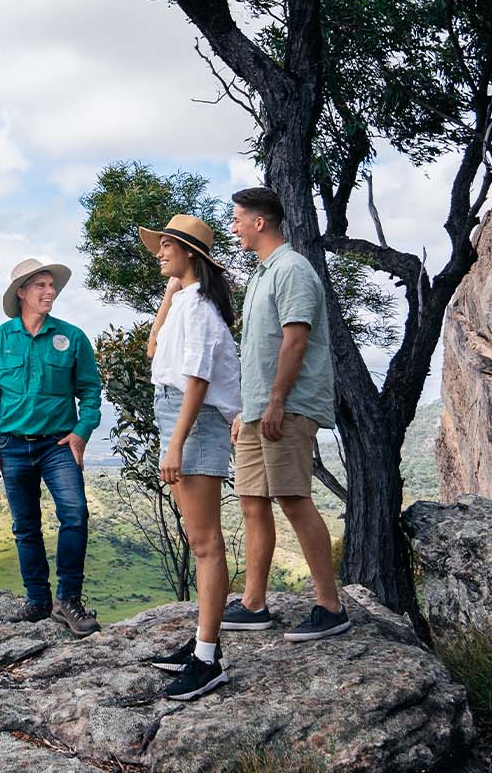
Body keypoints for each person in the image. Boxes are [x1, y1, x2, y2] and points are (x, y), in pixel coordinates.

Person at [223, 186, 350, 641]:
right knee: (252, 502)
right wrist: (247, 408)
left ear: (260, 222)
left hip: (287, 407)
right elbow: (257, 352)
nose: (233, 227)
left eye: (238, 219)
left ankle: (330, 607)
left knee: (294, 498)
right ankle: (254, 604)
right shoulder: (261, 275)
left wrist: (276, 400)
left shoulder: (292, 269)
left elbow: (296, 339)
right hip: (259, 410)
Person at [133, 216, 243, 699]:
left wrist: (176, 443)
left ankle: (208, 656)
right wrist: (173, 286)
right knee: (201, 541)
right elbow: (153, 346)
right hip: (177, 413)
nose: (158, 252)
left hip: (191, 419)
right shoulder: (185, 301)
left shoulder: (199, 309)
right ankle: (202, 646)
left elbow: (197, 379)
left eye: (167, 247)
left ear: (189, 253)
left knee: (205, 544)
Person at [0, 257, 103, 636]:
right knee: (25, 527)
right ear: (21, 293)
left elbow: (91, 391)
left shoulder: (72, 337)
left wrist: (82, 431)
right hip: (12, 445)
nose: (50, 292)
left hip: (58, 445)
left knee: (75, 514)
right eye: (41, 286)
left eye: (52, 286)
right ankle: (37, 602)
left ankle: (69, 600)